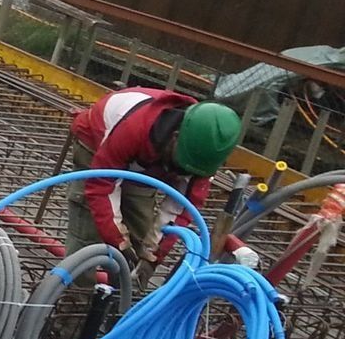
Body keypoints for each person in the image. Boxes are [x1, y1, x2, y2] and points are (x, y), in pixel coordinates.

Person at [66, 86, 259, 270]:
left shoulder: (203, 156)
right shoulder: (135, 129)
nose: (183, 170)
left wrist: (154, 254)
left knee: (139, 233)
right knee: (89, 232)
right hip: (96, 140)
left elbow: (180, 209)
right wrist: (117, 240)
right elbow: (101, 187)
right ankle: (75, 295)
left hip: (148, 161)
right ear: (175, 137)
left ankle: (122, 293)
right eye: (182, 162)